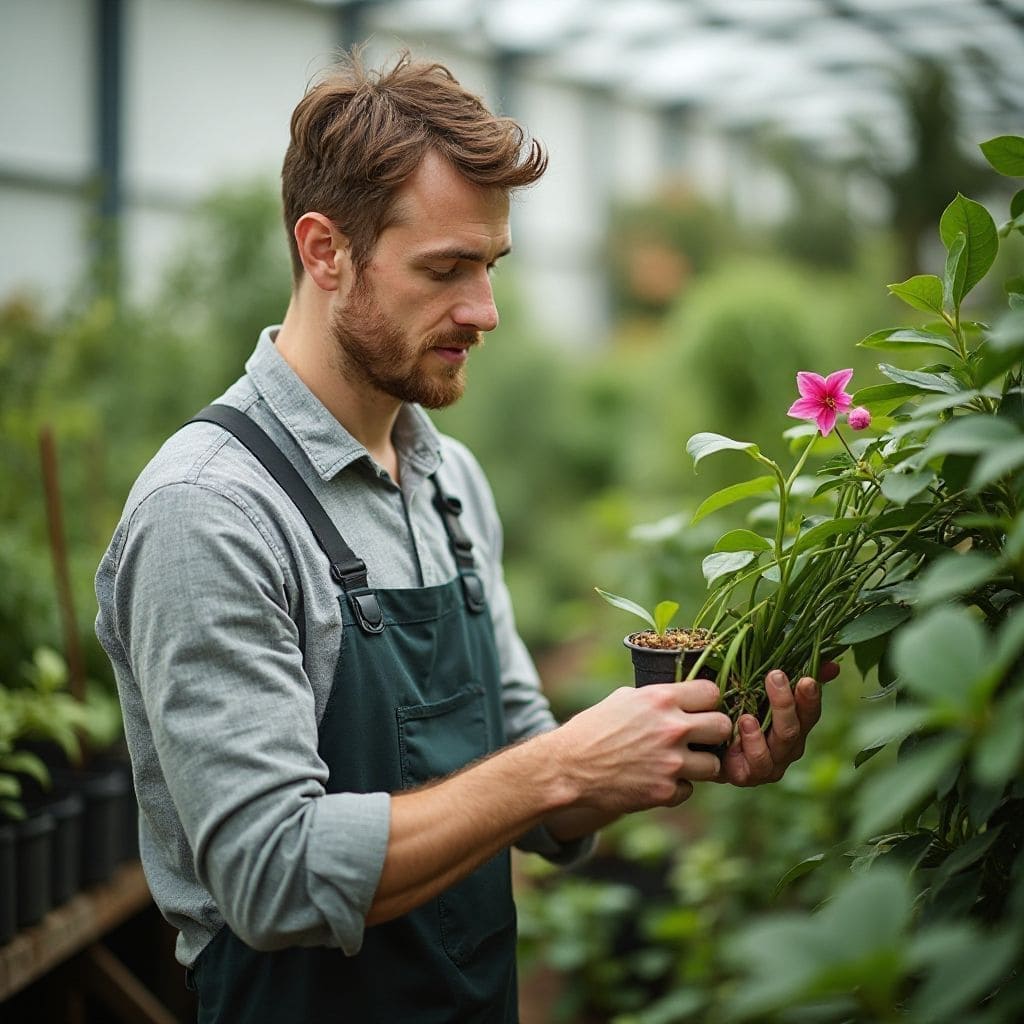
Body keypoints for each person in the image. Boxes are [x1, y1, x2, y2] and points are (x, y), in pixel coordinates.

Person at [95, 51, 829, 1023]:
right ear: (324, 251)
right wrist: (561, 766)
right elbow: (270, 875)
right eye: (445, 269)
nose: (484, 311)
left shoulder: (449, 483)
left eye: (490, 266)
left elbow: (521, 762)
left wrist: (669, 744)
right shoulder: (211, 511)